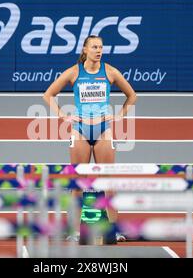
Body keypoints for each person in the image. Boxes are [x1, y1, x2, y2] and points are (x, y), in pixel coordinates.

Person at [43, 35, 137, 242]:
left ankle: (113, 230)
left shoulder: (110, 72)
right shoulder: (74, 72)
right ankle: (75, 231)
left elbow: (132, 95)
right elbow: (48, 95)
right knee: (78, 183)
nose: (99, 50)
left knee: (108, 182)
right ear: (85, 49)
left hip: (104, 130)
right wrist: (63, 115)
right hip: (80, 130)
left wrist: (120, 115)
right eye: (94, 47)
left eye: (101, 47)